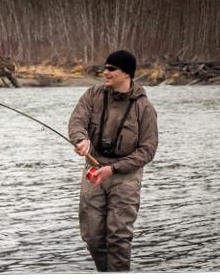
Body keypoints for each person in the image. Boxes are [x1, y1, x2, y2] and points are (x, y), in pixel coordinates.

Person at [68, 50, 158, 272]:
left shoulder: (144, 107)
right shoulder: (92, 94)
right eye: (105, 68)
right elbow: (77, 121)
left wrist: (114, 168)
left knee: (118, 237)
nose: (105, 72)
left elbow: (147, 150)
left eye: (111, 69)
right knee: (93, 237)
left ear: (126, 73)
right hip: (94, 169)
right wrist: (82, 140)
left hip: (126, 175)